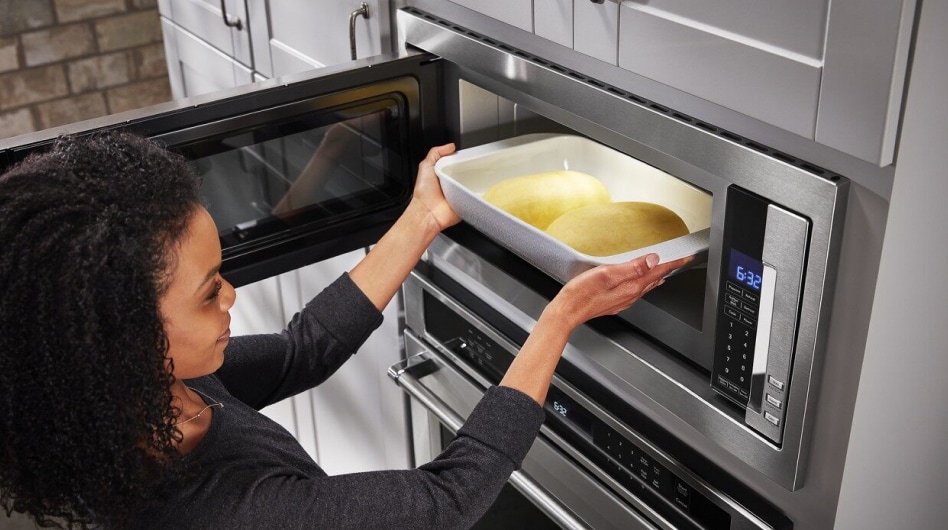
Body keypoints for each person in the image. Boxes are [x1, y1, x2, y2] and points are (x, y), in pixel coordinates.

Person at [0, 131, 690, 529]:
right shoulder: (230, 512)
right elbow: (445, 501)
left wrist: (421, 217)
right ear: (125, 338)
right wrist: (560, 318)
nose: (232, 296)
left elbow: (305, 348)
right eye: (210, 293)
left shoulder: (152, 396)